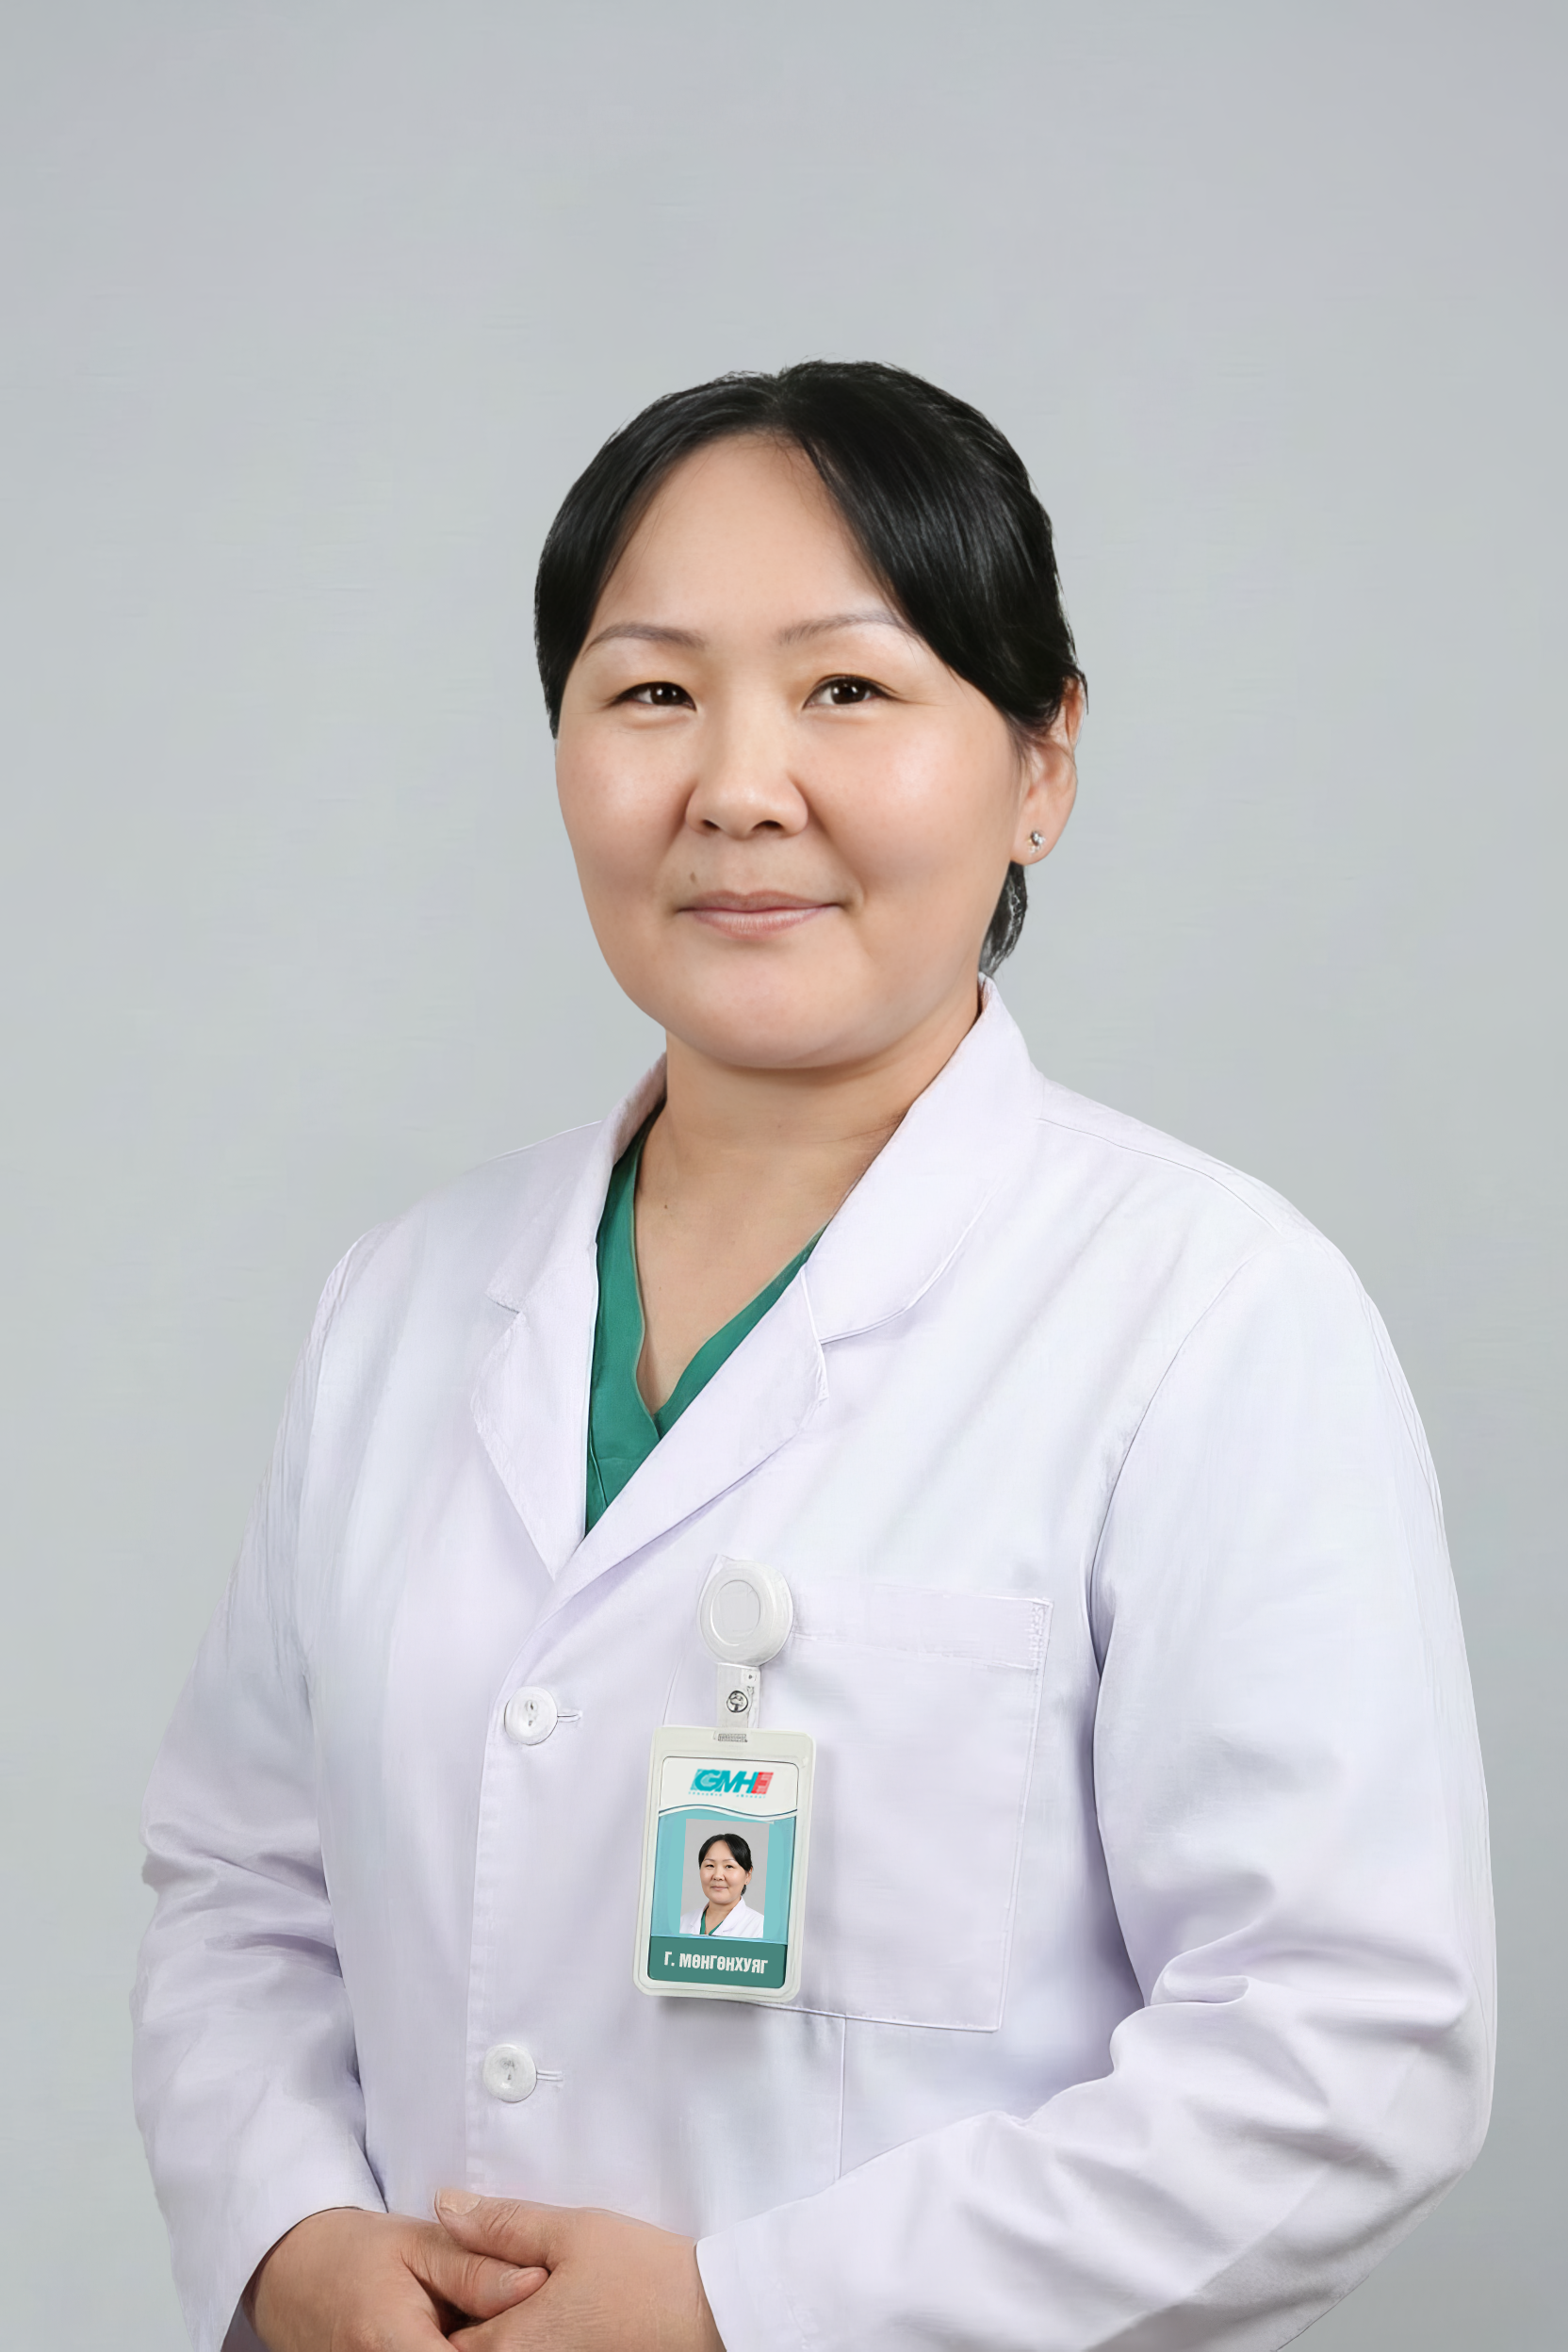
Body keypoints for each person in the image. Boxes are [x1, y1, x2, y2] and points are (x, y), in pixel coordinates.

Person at [133, 361, 1493, 2352]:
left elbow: (1344, 2052)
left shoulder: (1206, 1315)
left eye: (846, 688)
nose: (737, 786)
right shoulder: (401, 1306)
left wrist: (739, 2312)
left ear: (1039, 762)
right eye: (649, 695)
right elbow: (241, 1894)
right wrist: (290, 2238)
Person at [679, 1833, 766, 1939]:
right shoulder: (682, 1923)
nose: (717, 1876)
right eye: (710, 1865)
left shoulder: (761, 1930)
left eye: (729, 1866)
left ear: (748, 1875)